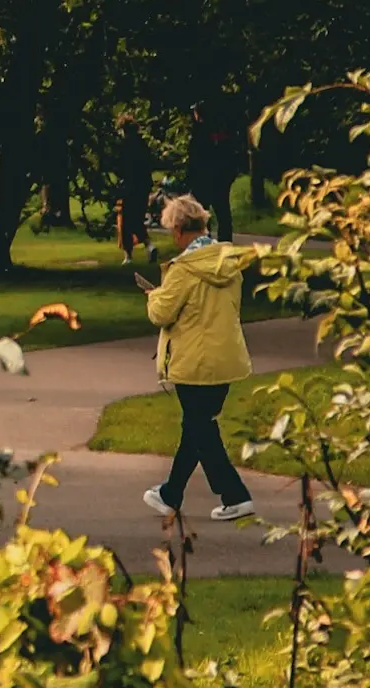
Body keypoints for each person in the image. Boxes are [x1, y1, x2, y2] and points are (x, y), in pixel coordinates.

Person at [138, 192, 262, 523]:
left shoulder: (183, 270)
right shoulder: (229, 261)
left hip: (193, 359)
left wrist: (153, 297)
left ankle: (234, 495)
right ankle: (170, 494)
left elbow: (162, 313)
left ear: (179, 230)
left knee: (200, 428)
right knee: (196, 426)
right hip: (226, 356)